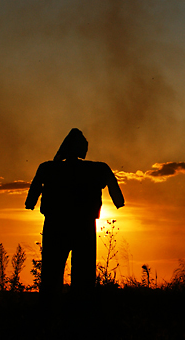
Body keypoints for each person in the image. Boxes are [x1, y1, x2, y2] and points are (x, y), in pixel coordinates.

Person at [25, 129, 125, 303]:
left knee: (51, 273)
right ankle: (79, 313)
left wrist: (31, 202)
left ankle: (50, 312)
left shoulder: (48, 168)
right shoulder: (98, 169)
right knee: (83, 276)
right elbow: (113, 185)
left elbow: (34, 189)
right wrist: (118, 200)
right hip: (82, 226)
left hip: (56, 225)